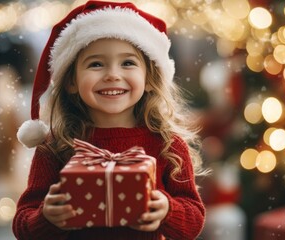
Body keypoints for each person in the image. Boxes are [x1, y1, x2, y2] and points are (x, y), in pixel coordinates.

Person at [12, 1, 206, 240]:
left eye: (128, 62)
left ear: (148, 78)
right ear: (71, 82)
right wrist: (46, 219)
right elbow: (22, 224)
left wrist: (168, 210)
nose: (113, 74)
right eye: (96, 64)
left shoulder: (169, 145)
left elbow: (194, 220)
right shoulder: (55, 147)